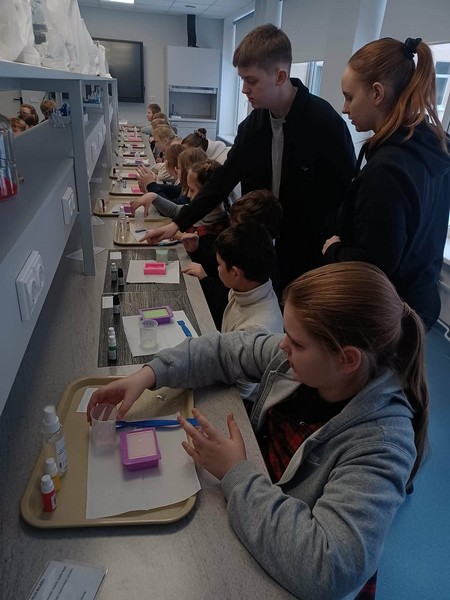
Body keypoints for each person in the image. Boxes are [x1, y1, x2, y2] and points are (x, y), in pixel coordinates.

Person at [87, 261, 428, 600]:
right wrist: (148, 375)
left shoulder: (383, 443)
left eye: (297, 343)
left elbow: (329, 567)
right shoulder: (302, 362)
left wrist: (236, 472)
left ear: (347, 360)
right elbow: (223, 349)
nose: (282, 346)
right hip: (263, 501)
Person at [142, 24, 355, 292]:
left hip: (307, 252)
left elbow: (344, 196)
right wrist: (177, 223)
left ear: (280, 76)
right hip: (259, 246)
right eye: (242, 79)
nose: (244, 89)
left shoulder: (325, 125)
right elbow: (222, 181)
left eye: (251, 81)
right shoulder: (253, 127)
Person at [322, 37, 450, 331]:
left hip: (388, 317)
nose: (344, 108)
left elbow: (375, 267)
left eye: (349, 97)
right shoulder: (432, 147)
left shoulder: (385, 173)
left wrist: (334, 250)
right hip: (421, 304)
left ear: (377, 93)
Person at [182, 189, 283, 328]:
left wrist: (206, 281)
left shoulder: (255, 326)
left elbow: (223, 305)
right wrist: (196, 251)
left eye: (237, 227)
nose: (231, 229)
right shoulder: (246, 277)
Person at [213, 222, 284, 402]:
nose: (217, 269)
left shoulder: (256, 328)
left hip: (241, 403)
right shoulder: (246, 288)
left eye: (219, 264)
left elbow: (240, 392)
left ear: (236, 273)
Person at [131, 147, 207, 217]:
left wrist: (151, 185)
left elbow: (171, 209)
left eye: (179, 168)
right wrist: (148, 185)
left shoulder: (190, 195)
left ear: (187, 172)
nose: (176, 169)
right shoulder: (184, 187)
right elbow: (170, 190)